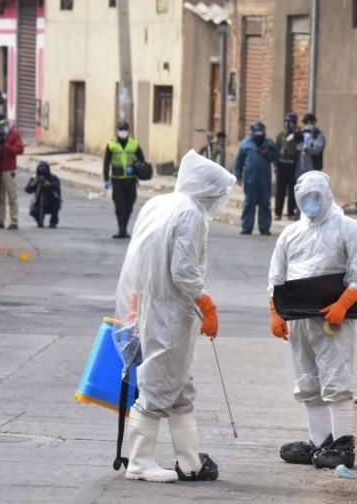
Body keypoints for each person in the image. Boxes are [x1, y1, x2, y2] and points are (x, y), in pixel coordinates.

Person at [115, 150, 234, 483]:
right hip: (171, 311)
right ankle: (139, 463)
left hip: (155, 304)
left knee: (180, 386)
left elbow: (141, 258)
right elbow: (183, 270)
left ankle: (190, 462)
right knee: (156, 384)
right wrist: (205, 303)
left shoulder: (161, 203)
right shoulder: (191, 213)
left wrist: (137, 300)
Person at [268, 171, 357, 470]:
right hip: (299, 321)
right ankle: (320, 443)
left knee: (336, 380)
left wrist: (344, 303)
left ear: (327, 195)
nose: (311, 203)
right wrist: (275, 312)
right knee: (308, 382)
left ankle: (343, 446)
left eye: (316, 197)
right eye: (305, 198)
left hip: (333, 321)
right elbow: (276, 276)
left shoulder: (349, 229)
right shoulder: (290, 234)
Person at [234, 120, 279, 235]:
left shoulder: (269, 143)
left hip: (264, 179)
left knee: (264, 202)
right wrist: (238, 175)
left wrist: (267, 153)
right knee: (249, 202)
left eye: (261, 131)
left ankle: (264, 227)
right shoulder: (246, 144)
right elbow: (239, 161)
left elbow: (276, 158)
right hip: (250, 179)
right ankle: (246, 226)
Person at [103, 120, 147, 239]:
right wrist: (106, 179)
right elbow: (106, 162)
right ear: (117, 131)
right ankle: (121, 229)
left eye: (125, 130)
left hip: (130, 180)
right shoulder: (111, 144)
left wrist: (134, 168)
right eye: (121, 130)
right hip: (116, 180)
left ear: (128, 131)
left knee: (129, 206)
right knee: (120, 206)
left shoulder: (134, 144)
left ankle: (124, 228)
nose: (123, 132)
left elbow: (142, 161)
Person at [275, 112, 301, 220]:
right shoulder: (281, 135)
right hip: (282, 164)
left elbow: (300, 150)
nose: (288, 124)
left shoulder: (297, 135)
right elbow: (276, 150)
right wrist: (276, 165)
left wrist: (297, 134)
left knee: (292, 191)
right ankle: (278, 213)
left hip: (292, 166)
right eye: (287, 122)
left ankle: (290, 212)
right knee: (280, 191)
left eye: (290, 122)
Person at [25, 161, 61, 228]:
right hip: (38, 202)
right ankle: (39, 220)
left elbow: (57, 186)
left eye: (44, 170)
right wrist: (33, 183)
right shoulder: (34, 178)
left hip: (51, 202)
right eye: (40, 170)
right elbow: (27, 190)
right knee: (33, 211)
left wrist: (49, 184)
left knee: (56, 202)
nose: (42, 173)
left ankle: (53, 221)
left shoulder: (52, 177)